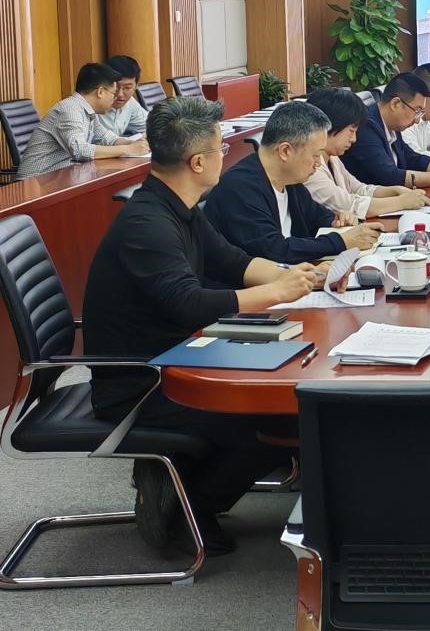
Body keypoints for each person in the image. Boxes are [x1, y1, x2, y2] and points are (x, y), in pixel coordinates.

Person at [83, 96, 325, 555]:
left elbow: (232, 261)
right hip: (144, 381)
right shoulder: (147, 222)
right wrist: (278, 291)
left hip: (183, 357)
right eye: (220, 149)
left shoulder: (180, 206)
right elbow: (189, 303)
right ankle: (182, 511)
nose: (225, 157)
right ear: (198, 162)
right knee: (275, 420)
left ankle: (183, 484)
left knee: (288, 403)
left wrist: (299, 275)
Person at [204, 101, 382, 264]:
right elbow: (274, 250)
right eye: (315, 155)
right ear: (285, 151)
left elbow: (317, 216)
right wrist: (340, 241)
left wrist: (337, 220)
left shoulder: (290, 180)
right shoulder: (240, 188)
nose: (318, 163)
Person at [304, 88, 430, 219]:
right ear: (330, 125)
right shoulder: (310, 167)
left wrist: (395, 191)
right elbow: (350, 205)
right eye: (351, 131)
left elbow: (359, 189)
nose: (354, 139)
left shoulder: (333, 158)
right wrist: (401, 202)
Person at [16, 62, 149, 178]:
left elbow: (108, 138)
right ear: (100, 92)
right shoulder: (70, 109)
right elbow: (80, 150)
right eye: (113, 94)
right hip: (35, 183)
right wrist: (127, 149)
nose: (115, 99)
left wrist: (134, 143)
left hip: (60, 178)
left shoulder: (89, 112)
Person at [342, 72, 430, 186]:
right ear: (395, 104)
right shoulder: (366, 126)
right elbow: (390, 176)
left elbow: (412, 159)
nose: (417, 120)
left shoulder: (391, 124)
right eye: (417, 111)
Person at [98, 54, 148, 138]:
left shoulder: (130, 103)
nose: (120, 94)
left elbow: (155, 125)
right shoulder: (93, 107)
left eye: (127, 88)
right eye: (116, 87)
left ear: (136, 86)